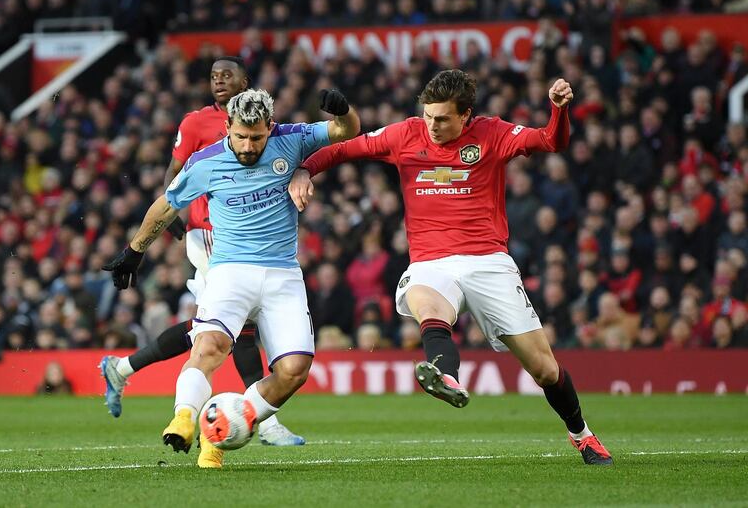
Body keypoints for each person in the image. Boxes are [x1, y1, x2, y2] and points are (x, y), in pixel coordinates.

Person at [288, 69, 612, 466]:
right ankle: (445, 375)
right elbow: (343, 149)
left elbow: (550, 140)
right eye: (428, 116)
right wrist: (305, 170)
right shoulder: (404, 134)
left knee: (545, 370)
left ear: (466, 116)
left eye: (442, 118)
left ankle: (582, 434)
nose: (433, 126)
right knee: (426, 300)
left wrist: (559, 111)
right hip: (431, 261)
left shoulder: (492, 134)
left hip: (488, 262)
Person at [103, 88, 359, 469]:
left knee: (293, 372)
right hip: (230, 271)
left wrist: (344, 110)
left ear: (270, 127)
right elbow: (165, 205)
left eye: (257, 137)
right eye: (241, 136)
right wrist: (135, 251)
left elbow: (346, 131)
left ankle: (222, 428)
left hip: (282, 275)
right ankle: (185, 417)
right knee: (209, 346)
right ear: (228, 127)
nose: (249, 145)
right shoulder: (205, 162)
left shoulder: (291, 139)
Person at [99, 57, 302, 446]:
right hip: (210, 235)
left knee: (210, 328)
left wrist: (303, 170)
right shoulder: (195, 123)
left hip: (248, 239)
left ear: (248, 80)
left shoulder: (263, 124)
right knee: (237, 326)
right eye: (213, 76)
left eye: (228, 75)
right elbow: (174, 173)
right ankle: (263, 422)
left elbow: (290, 159)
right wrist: (174, 217)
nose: (219, 81)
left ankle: (121, 368)